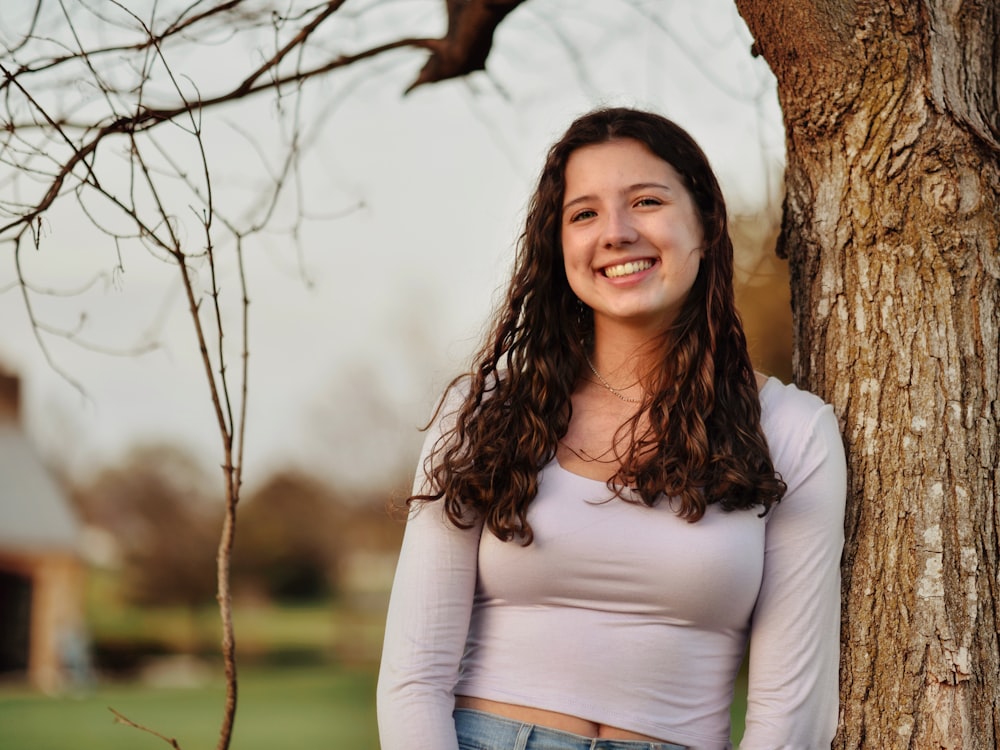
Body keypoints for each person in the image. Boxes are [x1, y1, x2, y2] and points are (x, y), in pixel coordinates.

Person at [376, 106, 846, 750]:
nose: (617, 232)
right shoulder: (482, 413)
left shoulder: (793, 432)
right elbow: (412, 679)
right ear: (559, 245)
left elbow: (792, 715)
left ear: (705, 223)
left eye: (646, 201)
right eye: (585, 213)